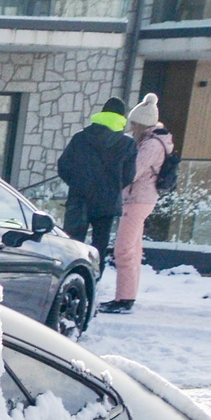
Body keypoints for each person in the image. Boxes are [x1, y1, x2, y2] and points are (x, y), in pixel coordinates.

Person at [106, 94, 175, 315]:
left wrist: (111, 171)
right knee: (133, 250)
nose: (131, 126)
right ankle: (126, 297)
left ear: (142, 123)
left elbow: (132, 172)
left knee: (124, 249)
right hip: (141, 199)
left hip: (138, 200)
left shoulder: (151, 145)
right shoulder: (152, 141)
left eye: (134, 122)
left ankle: (124, 299)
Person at [56, 98, 134, 266]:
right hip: (108, 202)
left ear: (102, 113)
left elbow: (63, 165)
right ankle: (94, 283)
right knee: (100, 246)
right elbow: (129, 175)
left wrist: (77, 183)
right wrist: (113, 187)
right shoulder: (127, 144)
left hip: (79, 199)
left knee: (72, 244)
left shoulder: (80, 137)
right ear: (122, 117)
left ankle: (71, 281)